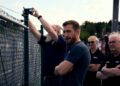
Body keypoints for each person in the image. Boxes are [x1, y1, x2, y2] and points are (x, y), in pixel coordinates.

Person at [28, 8, 66, 86]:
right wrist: (26, 17)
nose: (48, 32)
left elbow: (49, 30)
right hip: (47, 78)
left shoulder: (61, 41)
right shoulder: (46, 41)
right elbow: (33, 30)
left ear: (57, 32)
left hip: (58, 79)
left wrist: (38, 16)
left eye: (53, 29)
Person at [54, 20, 91, 86]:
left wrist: (57, 68)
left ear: (77, 32)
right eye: (64, 32)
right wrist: (62, 67)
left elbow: (61, 71)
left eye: (68, 31)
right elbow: (63, 69)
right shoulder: (71, 47)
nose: (65, 35)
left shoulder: (79, 47)